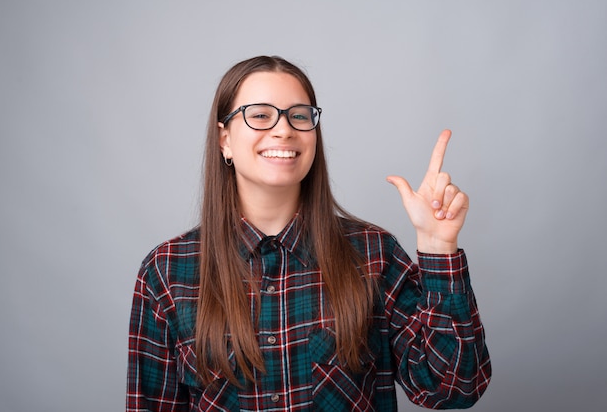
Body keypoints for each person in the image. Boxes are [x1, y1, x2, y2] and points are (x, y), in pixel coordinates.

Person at [126, 55, 491, 411]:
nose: (283, 129)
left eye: (299, 116)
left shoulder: (373, 254)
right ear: (224, 140)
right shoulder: (166, 271)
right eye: (260, 115)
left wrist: (438, 248)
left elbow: (454, 389)